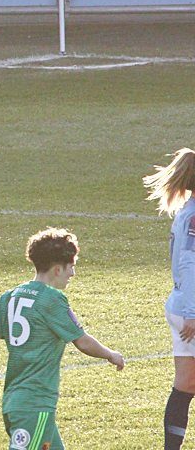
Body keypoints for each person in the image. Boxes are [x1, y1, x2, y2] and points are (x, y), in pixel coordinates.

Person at [0, 227, 125, 450]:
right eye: (72, 267)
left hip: (14, 403)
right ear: (58, 269)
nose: (73, 274)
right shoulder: (51, 300)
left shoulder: (9, 297)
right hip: (35, 405)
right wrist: (111, 355)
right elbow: (82, 341)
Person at [144, 148, 195, 450]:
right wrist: (192, 312)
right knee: (185, 384)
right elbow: (189, 263)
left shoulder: (186, 212)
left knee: (186, 384)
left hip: (181, 304)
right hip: (188, 309)